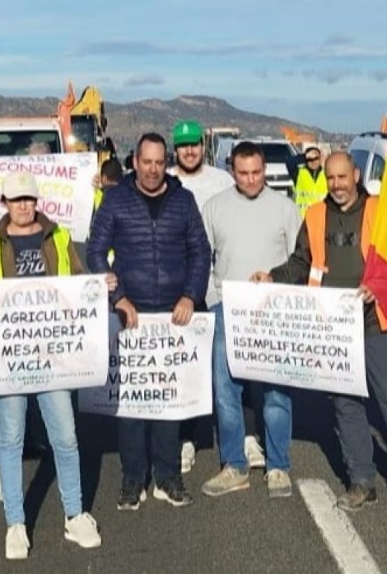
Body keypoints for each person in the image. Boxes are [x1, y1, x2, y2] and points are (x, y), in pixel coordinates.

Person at [254, 151, 387, 518]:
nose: (336, 185)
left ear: (356, 175)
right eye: (330, 179)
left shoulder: (381, 210)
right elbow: (302, 262)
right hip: (332, 327)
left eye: (342, 177)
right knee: (345, 406)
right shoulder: (316, 215)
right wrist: (273, 276)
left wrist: (379, 289)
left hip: (375, 323)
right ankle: (361, 482)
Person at [0, 171, 102, 560]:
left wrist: (100, 287)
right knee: (10, 440)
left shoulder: (60, 237)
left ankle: (75, 514)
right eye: (16, 201)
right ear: (5, 204)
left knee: (65, 436)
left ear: (37, 201)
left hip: (56, 356)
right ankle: (15, 522)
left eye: (29, 199)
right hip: (7, 357)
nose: (23, 206)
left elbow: (79, 281)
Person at [87, 132, 211, 510]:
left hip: (174, 312)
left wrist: (190, 294)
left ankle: (168, 476)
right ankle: (132, 479)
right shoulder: (115, 199)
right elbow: (95, 250)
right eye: (147, 162)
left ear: (166, 162)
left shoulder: (184, 200)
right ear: (135, 162)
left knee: (167, 401)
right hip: (131, 313)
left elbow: (200, 251)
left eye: (160, 162)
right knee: (131, 404)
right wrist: (118, 297)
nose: (154, 169)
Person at [199, 142, 302, 500]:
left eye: (256, 172)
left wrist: (281, 288)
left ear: (264, 168)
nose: (251, 179)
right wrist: (214, 301)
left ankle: (278, 465)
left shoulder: (285, 208)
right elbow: (203, 257)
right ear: (232, 171)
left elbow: (299, 260)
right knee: (226, 390)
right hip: (227, 308)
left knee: (275, 389)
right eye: (243, 173)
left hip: (272, 311)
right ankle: (235, 465)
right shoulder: (214, 207)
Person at [168, 120, 234, 472]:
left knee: (228, 365)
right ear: (174, 149)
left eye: (194, 144)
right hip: (180, 290)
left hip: (219, 286)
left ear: (202, 146)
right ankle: (186, 438)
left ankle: (241, 439)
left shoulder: (221, 180)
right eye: (183, 146)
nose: (189, 151)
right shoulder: (164, 180)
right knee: (186, 367)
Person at [292, 147, 327, 216]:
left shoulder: (326, 174)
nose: (313, 161)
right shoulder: (299, 173)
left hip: (321, 217)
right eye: (310, 159)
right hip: (303, 217)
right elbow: (290, 162)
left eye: (316, 158)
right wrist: (304, 156)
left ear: (320, 159)